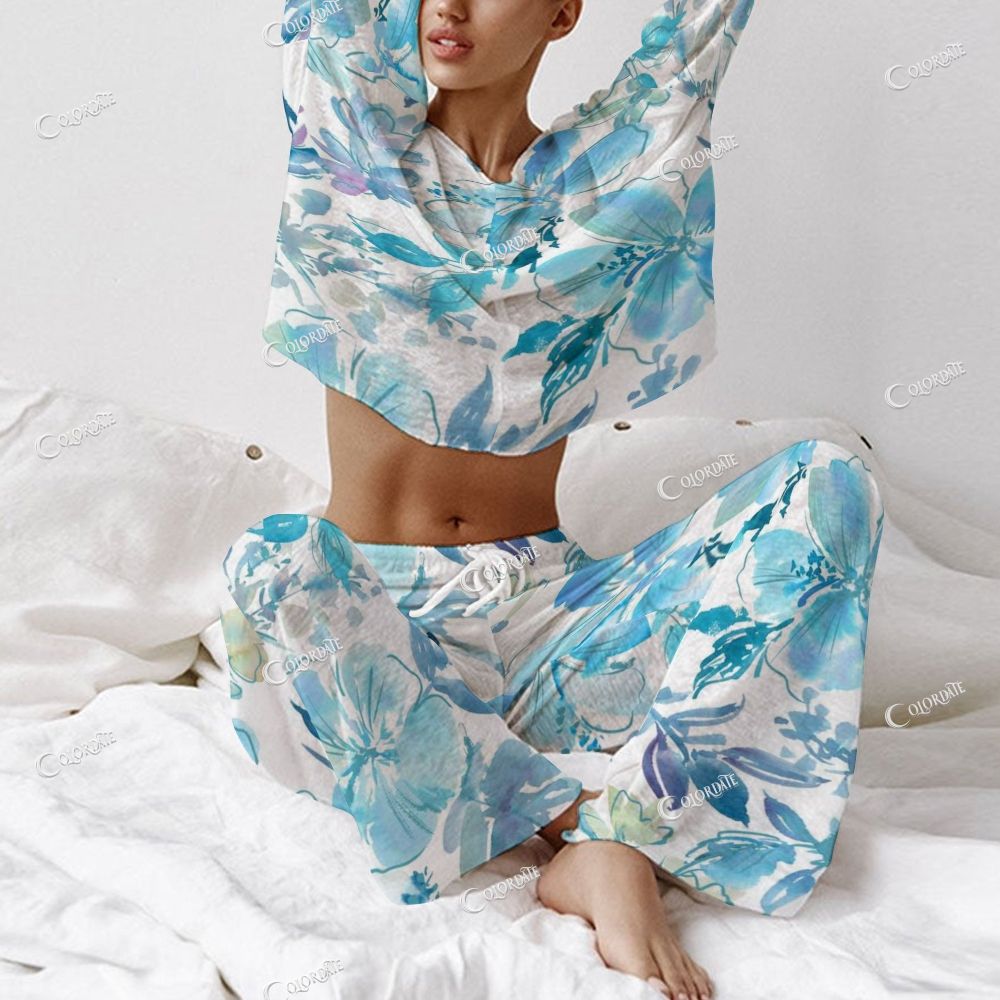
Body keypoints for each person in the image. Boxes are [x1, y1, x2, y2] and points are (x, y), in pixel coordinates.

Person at [221, 3, 884, 997]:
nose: (448, 7)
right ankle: (579, 833)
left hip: (559, 631)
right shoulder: (350, 145)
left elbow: (700, 32)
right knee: (269, 564)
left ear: (564, 10)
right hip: (382, 631)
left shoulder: (610, 179)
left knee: (831, 479)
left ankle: (626, 828)